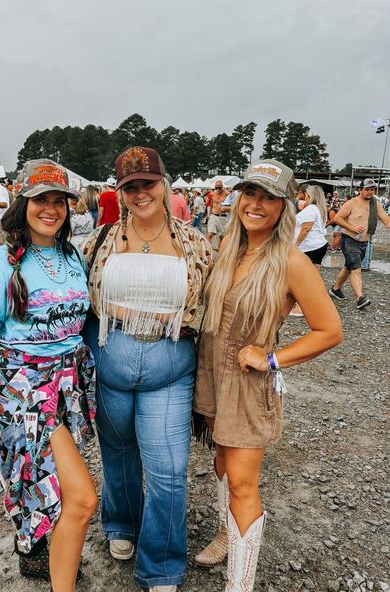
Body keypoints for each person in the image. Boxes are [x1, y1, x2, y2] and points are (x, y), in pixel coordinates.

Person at [193, 159, 342, 592]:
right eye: (251, 194)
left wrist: (272, 359)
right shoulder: (227, 248)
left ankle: (239, 585)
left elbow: (329, 330)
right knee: (221, 461)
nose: (256, 204)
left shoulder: (290, 261)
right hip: (211, 375)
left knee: (243, 482)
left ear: (284, 207)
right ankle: (226, 532)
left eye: (269, 197)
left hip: (247, 384)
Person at [0, 159, 97, 592]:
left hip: (70, 387)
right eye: (41, 200)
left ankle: (38, 555)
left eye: (60, 201)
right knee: (82, 498)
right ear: (23, 203)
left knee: (47, 482)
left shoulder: (73, 255)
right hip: (26, 392)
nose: (51, 209)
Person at [83, 146, 213, 592]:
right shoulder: (99, 240)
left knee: (169, 469)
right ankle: (121, 524)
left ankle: (160, 562)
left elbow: (213, 303)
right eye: (130, 186)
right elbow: (73, 292)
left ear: (164, 184)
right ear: (119, 192)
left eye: (148, 184)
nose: (141, 193)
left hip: (169, 371)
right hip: (111, 367)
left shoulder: (193, 241)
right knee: (117, 455)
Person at [329, 178, 390, 309]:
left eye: (372, 189)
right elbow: (337, 218)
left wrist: (388, 223)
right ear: (360, 190)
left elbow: (385, 217)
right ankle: (360, 298)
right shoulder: (352, 203)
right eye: (367, 189)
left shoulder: (376, 203)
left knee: (349, 267)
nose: (370, 192)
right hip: (349, 240)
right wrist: (352, 227)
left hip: (364, 242)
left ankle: (335, 289)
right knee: (356, 269)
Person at [290, 185, 329, 316]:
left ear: (309, 196)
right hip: (318, 246)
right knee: (314, 279)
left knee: (302, 280)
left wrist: (295, 245)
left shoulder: (311, 209)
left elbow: (306, 228)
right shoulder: (320, 209)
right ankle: (316, 305)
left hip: (309, 247)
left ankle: (300, 308)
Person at [207, 180, 229, 248]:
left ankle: (220, 251)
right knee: (210, 234)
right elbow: (211, 205)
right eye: (216, 188)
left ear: (222, 187)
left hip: (222, 217)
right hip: (213, 216)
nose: (218, 189)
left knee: (221, 236)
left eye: (220, 188)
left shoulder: (226, 194)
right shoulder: (213, 194)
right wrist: (209, 215)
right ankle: (207, 250)